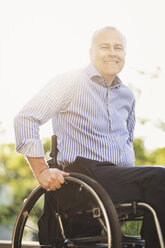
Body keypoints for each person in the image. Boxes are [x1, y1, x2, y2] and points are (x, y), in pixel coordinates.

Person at [14, 26, 165, 248]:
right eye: (105, 47)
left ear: (124, 54)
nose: (112, 52)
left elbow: (127, 141)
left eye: (118, 48)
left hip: (117, 177)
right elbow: (25, 118)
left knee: (157, 183)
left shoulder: (127, 96)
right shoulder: (69, 83)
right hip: (84, 177)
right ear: (91, 53)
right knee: (160, 179)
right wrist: (41, 171)